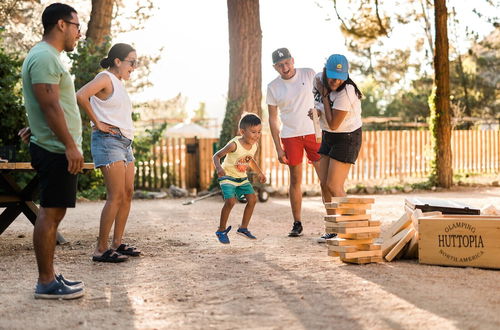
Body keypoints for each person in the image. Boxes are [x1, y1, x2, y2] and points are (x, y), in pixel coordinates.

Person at [21, 3, 84, 299]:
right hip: (56, 149)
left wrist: (33, 127)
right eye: (76, 26)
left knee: (54, 213)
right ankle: (45, 282)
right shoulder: (45, 56)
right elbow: (49, 104)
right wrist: (70, 146)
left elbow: (43, 104)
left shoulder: (47, 56)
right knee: (49, 213)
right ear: (61, 24)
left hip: (55, 145)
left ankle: (50, 276)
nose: (79, 33)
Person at [76, 43, 140, 262]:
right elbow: (81, 96)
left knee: (128, 192)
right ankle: (101, 249)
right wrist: (99, 124)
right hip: (108, 141)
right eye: (132, 62)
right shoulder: (105, 78)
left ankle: (117, 243)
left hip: (124, 143)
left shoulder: (119, 84)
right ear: (118, 61)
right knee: (116, 196)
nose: (134, 66)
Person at [266, 48, 322, 237]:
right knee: (295, 180)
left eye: (287, 62)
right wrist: (278, 148)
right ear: (275, 67)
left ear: (293, 60)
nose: (285, 67)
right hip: (290, 136)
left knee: (325, 179)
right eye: (280, 65)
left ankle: (334, 219)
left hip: (314, 132)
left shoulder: (309, 73)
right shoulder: (273, 87)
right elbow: (273, 119)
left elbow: (322, 98)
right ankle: (297, 223)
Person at [310, 54, 363, 242]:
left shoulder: (347, 92)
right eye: (332, 76)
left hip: (346, 137)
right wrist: (316, 112)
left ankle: (353, 229)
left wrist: (324, 98)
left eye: (341, 76)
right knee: (324, 184)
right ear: (325, 72)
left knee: (334, 185)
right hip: (328, 135)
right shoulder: (317, 80)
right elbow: (320, 108)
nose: (336, 81)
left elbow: (334, 123)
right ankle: (332, 229)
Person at [213, 114, 266, 244]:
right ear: (242, 132)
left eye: (259, 132)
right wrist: (219, 168)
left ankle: (243, 228)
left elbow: (250, 160)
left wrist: (259, 173)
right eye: (253, 132)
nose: (257, 135)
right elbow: (216, 156)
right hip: (228, 176)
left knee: (252, 199)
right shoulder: (234, 145)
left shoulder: (254, 145)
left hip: (241, 178)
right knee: (231, 202)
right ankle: (221, 230)